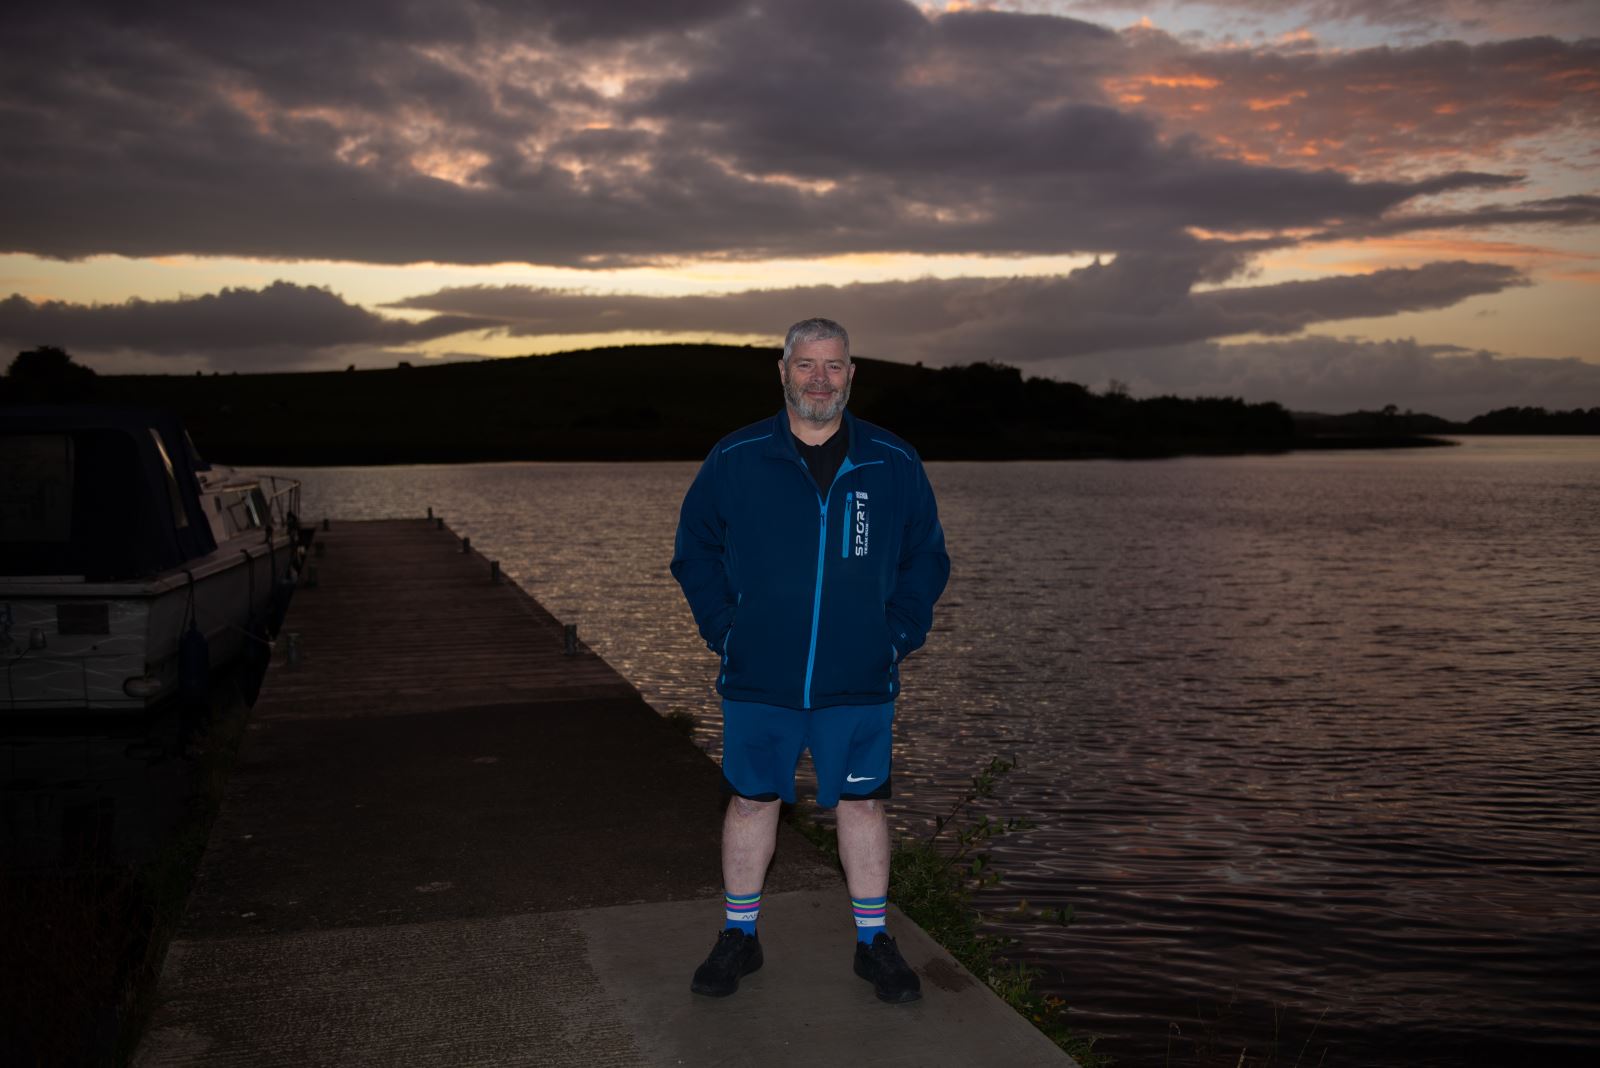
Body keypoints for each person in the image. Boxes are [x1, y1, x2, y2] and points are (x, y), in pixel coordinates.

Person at [670, 317, 950, 1004]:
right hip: (759, 676)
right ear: (783, 371)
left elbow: (927, 558)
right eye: (806, 365)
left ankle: (873, 942)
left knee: (862, 805)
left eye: (833, 366)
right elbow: (694, 551)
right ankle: (740, 936)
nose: (819, 379)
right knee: (750, 801)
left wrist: (897, 635)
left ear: (851, 375)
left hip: (858, 678)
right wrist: (727, 632)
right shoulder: (736, 459)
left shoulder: (893, 461)